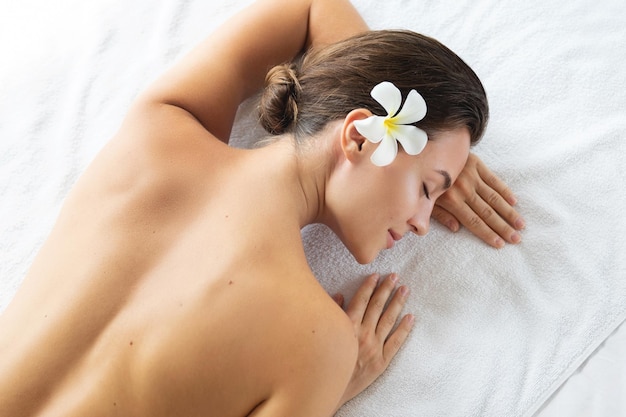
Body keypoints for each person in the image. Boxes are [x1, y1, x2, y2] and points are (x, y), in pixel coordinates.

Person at [0, 0, 524, 415]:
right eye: (429, 189)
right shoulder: (317, 346)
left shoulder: (156, 130)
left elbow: (310, 6)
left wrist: (426, 139)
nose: (422, 222)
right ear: (361, 139)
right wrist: (335, 388)